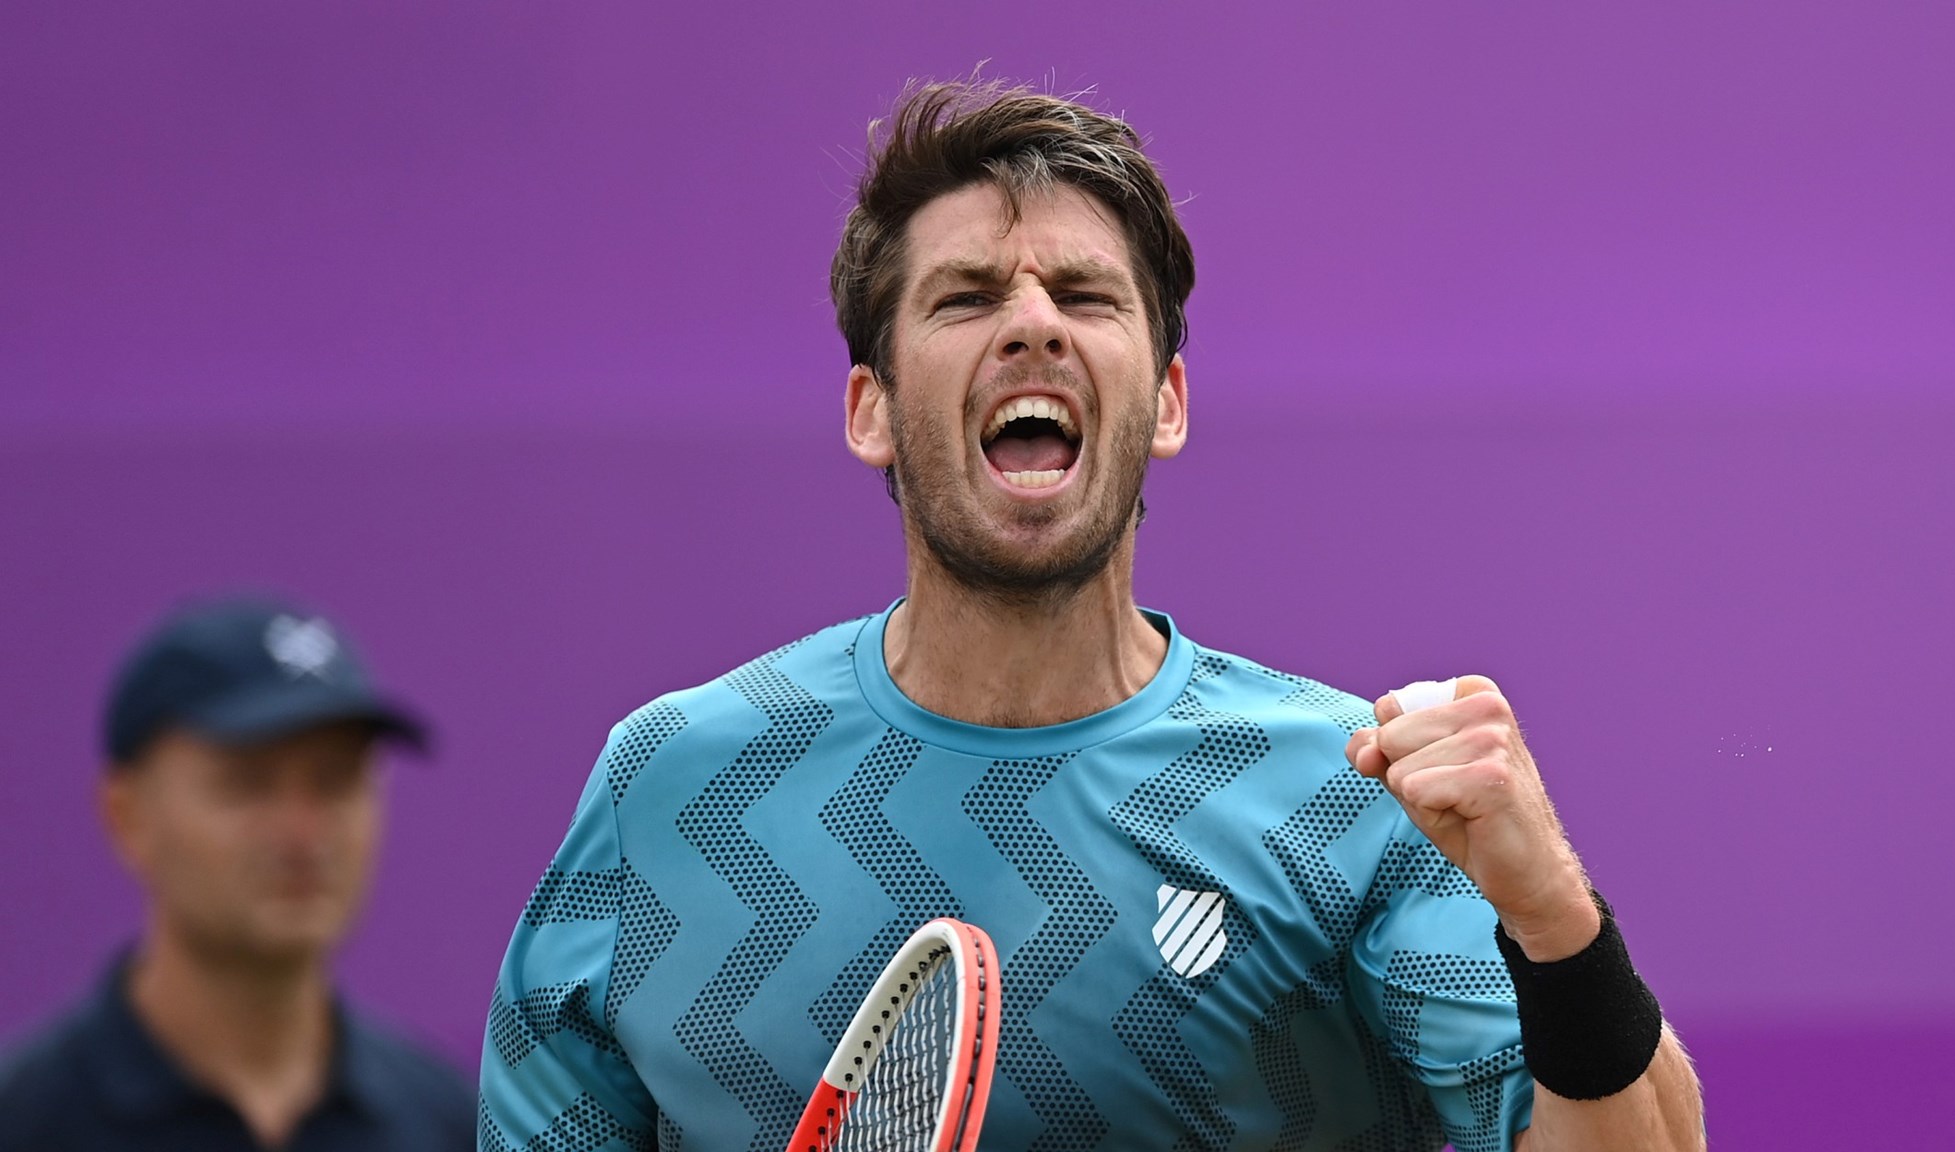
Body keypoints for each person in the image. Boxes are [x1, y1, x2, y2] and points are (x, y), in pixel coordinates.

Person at [479, 82, 1706, 1151]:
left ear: (1163, 402)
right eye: (965, 298)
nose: (1032, 322)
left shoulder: (1347, 791)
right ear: (871, 410)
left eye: (1084, 294)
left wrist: (1548, 912)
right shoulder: (668, 787)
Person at [0, 597, 476, 1152]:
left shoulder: (450, 1127)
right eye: (247, 784)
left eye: (336, 782)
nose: (303, 836)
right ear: (127, 817)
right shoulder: (26, 1124)